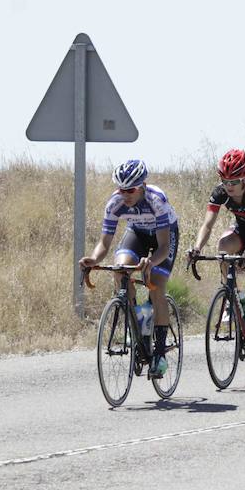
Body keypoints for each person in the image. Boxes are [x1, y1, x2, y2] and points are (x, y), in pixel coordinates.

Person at [79, 160, 179, 378]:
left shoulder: (156, 201)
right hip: (138, 234)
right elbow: (104, 243)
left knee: (156, 287)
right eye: (121, 189)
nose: (125, 194)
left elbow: (163, 247)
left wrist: (151, 262)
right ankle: (138, 322)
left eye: (130, 190)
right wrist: (93, 258)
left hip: (164, 237)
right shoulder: (115, 203)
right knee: (120, 268)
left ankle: (160, 353)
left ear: (142, 185)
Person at [188, 149, 245, 374]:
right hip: (242, 231)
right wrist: (197, 247)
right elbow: (208, 225)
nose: (229, 186)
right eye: (225, 180)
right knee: (223, 247)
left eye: (235, 181)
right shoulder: (220, 192)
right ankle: (232, 295)